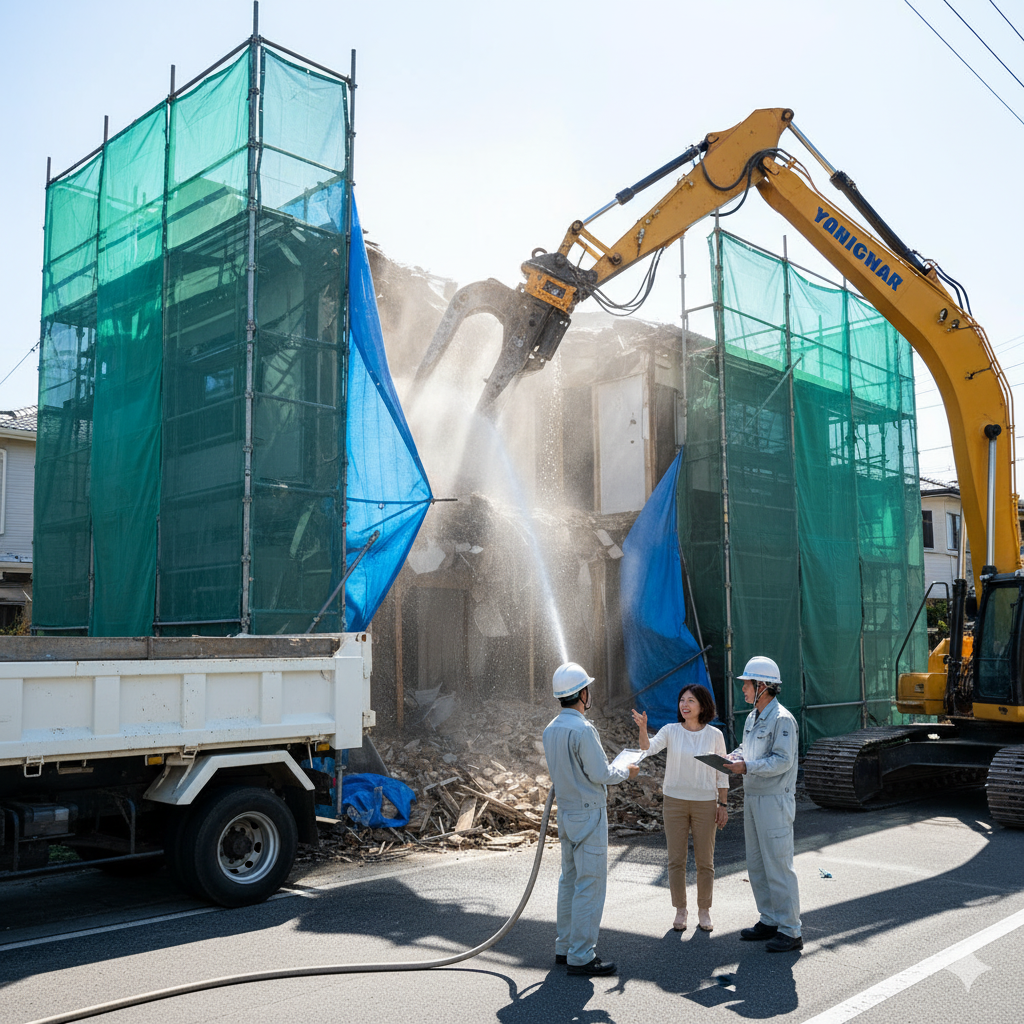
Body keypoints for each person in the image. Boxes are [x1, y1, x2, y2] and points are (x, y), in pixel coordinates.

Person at [543, 661, 639, 976]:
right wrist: (626, 770)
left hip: (567, 814)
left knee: (568, 881)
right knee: (590, 885)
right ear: (583, 693)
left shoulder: (551, 729)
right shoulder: (583, 729)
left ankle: (565, 946)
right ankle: (582, 955)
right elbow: (600, 773)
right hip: (589, 814)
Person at [632, 684, 729, 933]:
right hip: (674, 801)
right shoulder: (671, 730)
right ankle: (680, 909)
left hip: (706, 803)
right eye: (682, 700)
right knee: (676, 860)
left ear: (703, 706)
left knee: (705, 861)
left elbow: (723, 773)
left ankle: (704, 910)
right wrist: (643, 729)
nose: (684, 705)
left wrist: (723, 803)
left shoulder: (715, 735)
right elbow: (647, 749)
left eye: (691, 701)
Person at [725, 655, 802, 953]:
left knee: (779, 865)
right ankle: (769, 919)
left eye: (747, 684)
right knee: (757, 864)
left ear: (763, 686)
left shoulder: (782, 719)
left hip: (774, 800)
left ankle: (791, 929)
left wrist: (747, 766)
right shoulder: (753, 716)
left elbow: (782, 761)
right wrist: (735, 756)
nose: (743, 689)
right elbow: (749, 749)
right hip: (754, 797)